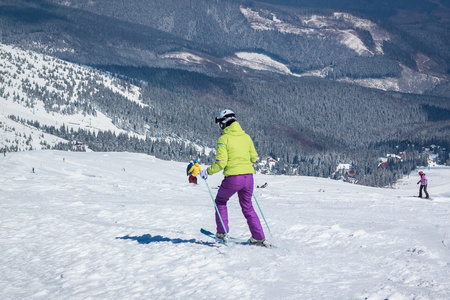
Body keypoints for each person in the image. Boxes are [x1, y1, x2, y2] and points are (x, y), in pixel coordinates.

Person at [200, 109, 270, 247]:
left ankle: (222, 233)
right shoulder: (246, 137)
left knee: (220, 201)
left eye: (219, 123)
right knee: (248, 207)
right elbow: (253, 158)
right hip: (248, 178)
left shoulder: (223, 139)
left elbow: (221, 163)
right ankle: (259, 237)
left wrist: (207, 172)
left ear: (223, 123)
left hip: (233, 178)